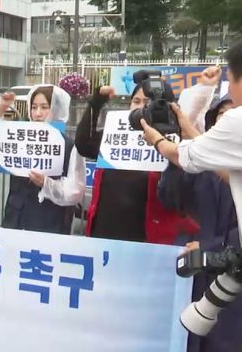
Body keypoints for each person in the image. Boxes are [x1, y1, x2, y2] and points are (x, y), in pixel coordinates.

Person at [140, 42, 242, 352]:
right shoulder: (211, 162)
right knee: (191, 337)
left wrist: (161, 141)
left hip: (226, 257)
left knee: (234, 342)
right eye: (221, 117)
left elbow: (189, 154)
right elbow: (174, 190)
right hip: (197, 259)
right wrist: (177, 149)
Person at [74, 71, 212, 243]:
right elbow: (84, 144)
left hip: (149, 242)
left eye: (148, 102)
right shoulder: (114, 136)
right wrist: (96, 102)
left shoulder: (176, 144)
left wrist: (165, 148)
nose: (140, 107)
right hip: (103, 234)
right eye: (136, 101)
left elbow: (175, 198)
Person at [0, 85, 85, 234]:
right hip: (15, 216)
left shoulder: (69, 145)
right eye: (34, 107)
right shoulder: (18, 136)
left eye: (44, 107)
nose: (37, 113)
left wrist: (46, 183)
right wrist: (1, 109)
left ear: (56, 109)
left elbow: (75, 191)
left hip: (50, 219)